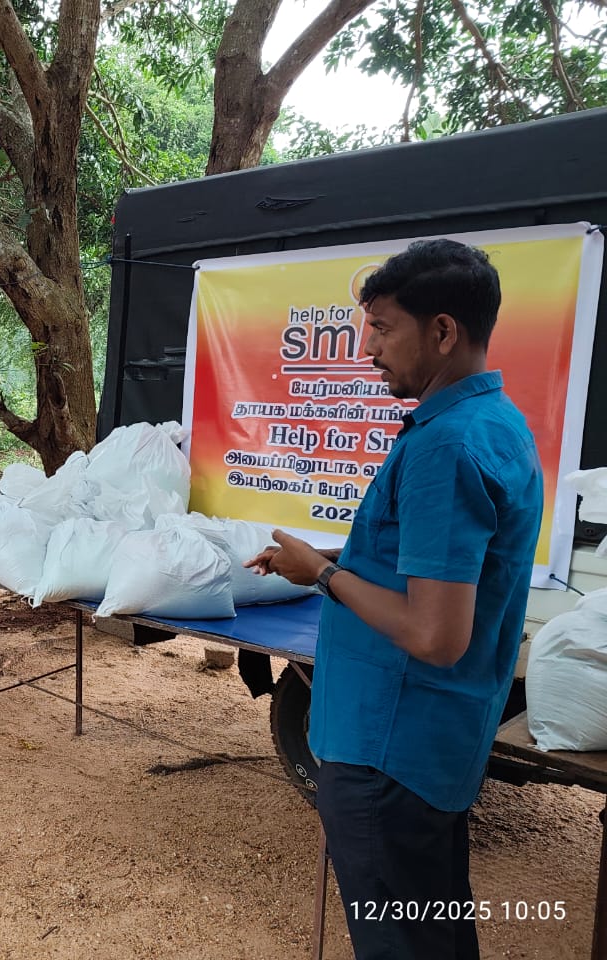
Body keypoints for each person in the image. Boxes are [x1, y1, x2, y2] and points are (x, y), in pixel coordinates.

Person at [246, 239, 543, 960]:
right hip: (428, 743)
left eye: (381, 327)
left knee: (400, 943)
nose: (367, 347)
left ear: (442, 331)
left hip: (388, 752)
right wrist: (334, 560)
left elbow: (436, 634)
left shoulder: (446, 446)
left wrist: (323, 576)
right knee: (434, 932)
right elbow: (436, 566)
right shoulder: (492, 421)